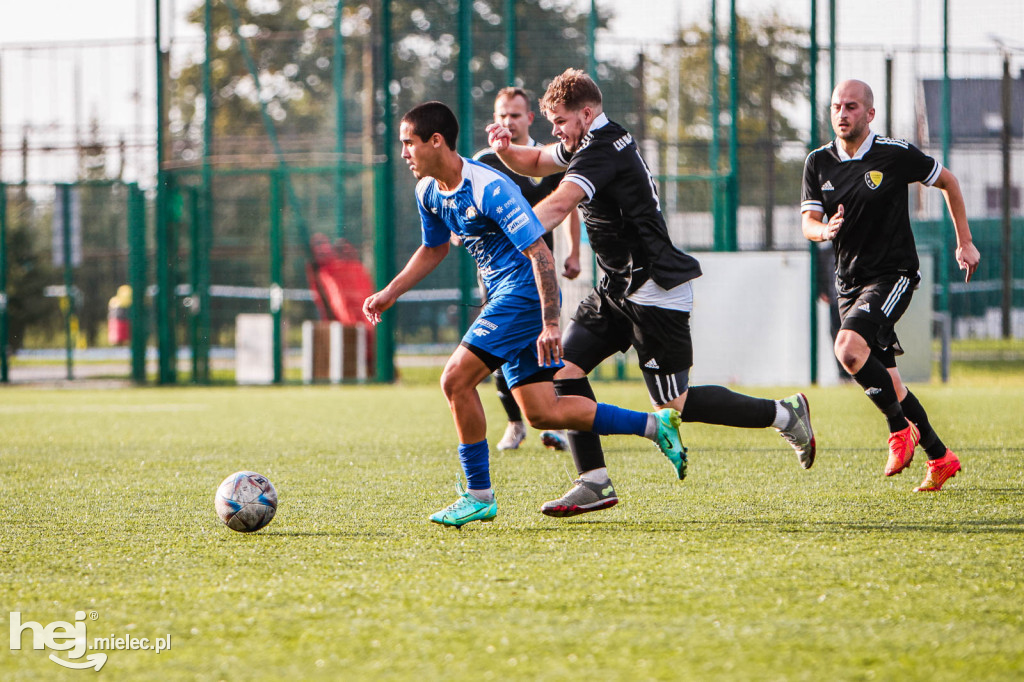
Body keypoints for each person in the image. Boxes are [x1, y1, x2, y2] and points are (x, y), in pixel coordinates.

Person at [486, 69, 816, 517]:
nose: (555, 131)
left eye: (560, 121)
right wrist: (507, 152)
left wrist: (511, 236)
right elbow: (540, 160)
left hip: (654, 290)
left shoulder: (601, 151)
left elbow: (560, 203)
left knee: (673, 404)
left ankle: (785, 414)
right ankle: (594, 482)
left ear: (586, 113)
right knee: (563, 369)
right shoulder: (585, 142)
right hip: (616, 289)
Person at [363, 101, 687, 527]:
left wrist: (551, 322)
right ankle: (655, 425)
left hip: (521, 296)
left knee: (455, 380)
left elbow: (540, 253)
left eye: (409, 143)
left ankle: (478, 495)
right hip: (503, 297)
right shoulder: (428, 191)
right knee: (542, 412)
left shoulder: (489, 187)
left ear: (435, 141)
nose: (404, 153)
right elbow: (434, 247)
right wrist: (389, 292)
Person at [800, 79, 980, 492]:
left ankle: (899, 430)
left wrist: (965, 242)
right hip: (848, 282)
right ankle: (939, 455)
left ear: (869, 114)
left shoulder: (895, 154)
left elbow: (949, 182)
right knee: (890, 382)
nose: (842, 114)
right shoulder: (817, 162)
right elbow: (808, 222)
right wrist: (824, 230)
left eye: (851, 106)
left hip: (893, 274)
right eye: (835, 107)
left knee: (847, 350)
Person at [473, 87, 582, 453]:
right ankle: (515, 423)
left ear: (529, 118)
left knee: (546, 346)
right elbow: (464, 206)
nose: (508, 122)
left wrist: (574, 253)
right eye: (502, 115)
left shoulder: (546, 158)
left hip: (538, 273)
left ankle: (552, 422)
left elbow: (568, 206)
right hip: (496, 276)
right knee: (497, 351)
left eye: (515, 115)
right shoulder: (485, 160)